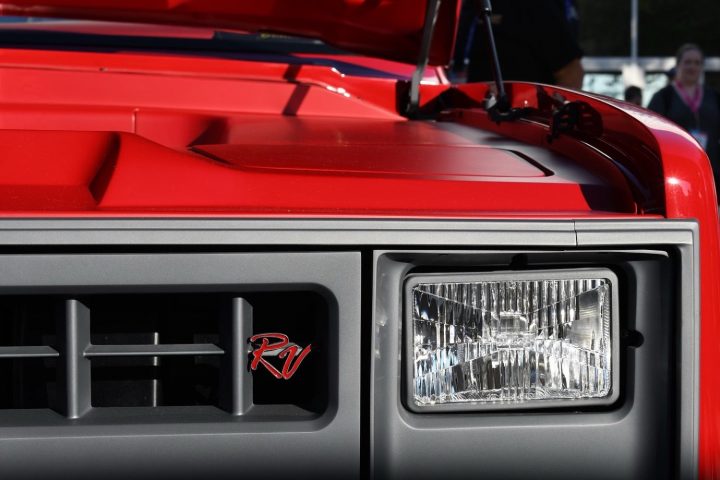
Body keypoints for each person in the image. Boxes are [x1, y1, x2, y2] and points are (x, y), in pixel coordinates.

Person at [459, 0, 584, 89]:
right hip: (461, 116)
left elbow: (571, 72)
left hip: (518, 119)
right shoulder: (463, 6)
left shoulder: (533, 4)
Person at [648, 44, 720, 189]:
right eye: (687, 62)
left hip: (712, 173)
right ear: (678, 64)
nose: (692, 67)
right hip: (677, 173)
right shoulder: (663, 97)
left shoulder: (714, 97)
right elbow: (652, 136)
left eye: (697, 63)